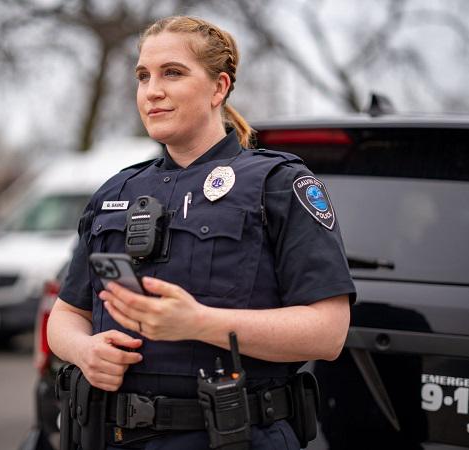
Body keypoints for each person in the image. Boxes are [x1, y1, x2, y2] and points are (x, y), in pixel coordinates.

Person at [48, 15, 355, 450]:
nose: (152, 90)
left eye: (172, 73)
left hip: (233, 438)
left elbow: (328, 332)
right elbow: (66, 315)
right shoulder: (115, 192)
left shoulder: (279, 184)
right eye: (143, 76)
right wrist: (84, 351)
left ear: (218, 88)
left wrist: (199, 323)